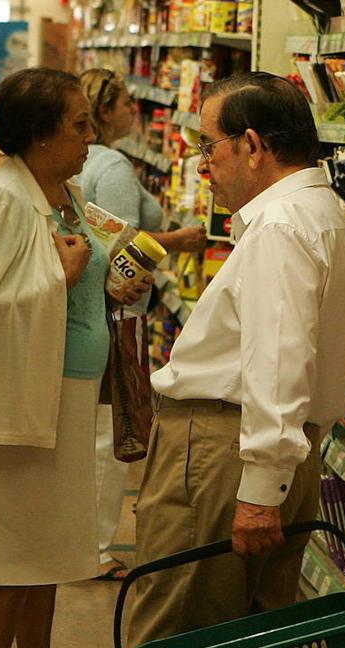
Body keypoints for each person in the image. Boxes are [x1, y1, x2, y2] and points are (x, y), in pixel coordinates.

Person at [114, 72, 345, 648]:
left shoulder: (281, 229)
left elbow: (276, 363)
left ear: (253, 145)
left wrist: (257, 490)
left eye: (210, 146)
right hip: (277, 452)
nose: (201, 164)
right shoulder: (324, 217)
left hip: (223, 454)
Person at [0, 67, 149, 648]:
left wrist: (105, 288)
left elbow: (76, 276)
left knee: (51, 547)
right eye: (79, 126)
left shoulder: (58, 193)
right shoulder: (5, 198)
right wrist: (56, 278)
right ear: (38, 134)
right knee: (9, 548)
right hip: (18, 404)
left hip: (63, 396)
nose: (91, 138)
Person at [76, 68, 208, 581]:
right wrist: (179, 240)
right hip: (116, 313)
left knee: (90, 430)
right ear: (105, 111)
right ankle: (94, 547)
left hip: (91, 314)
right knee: (112, 436)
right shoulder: (112, 166)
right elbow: (120, 244)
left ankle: (81, 541)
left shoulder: (90, 163)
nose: (134, 109)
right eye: (127, 101)